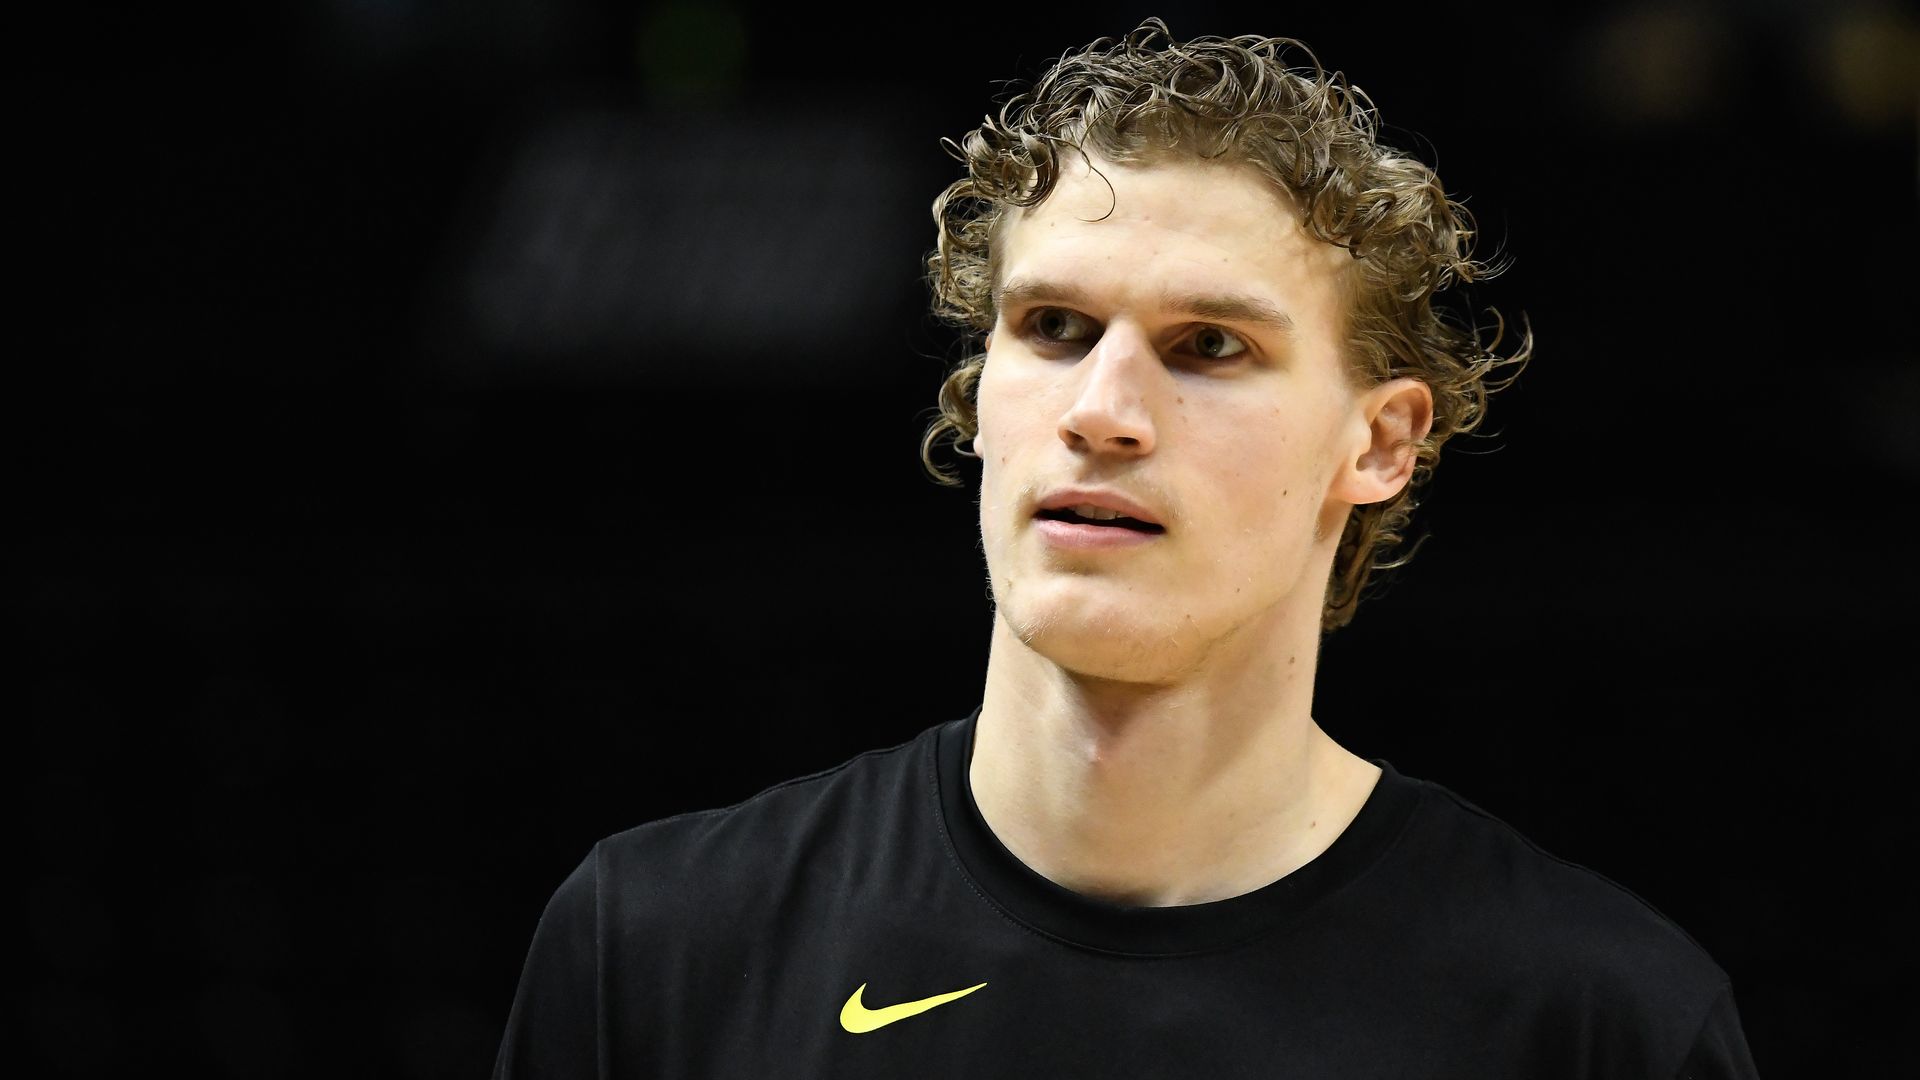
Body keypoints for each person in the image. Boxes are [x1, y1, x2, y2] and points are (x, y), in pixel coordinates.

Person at [492, 19, 1760, 1077]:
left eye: (1211, 345)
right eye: (1052, 326)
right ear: (979, 392)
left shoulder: (1597, 1023)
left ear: (1378, 443)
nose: (1101, 408)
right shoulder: (657, 951)